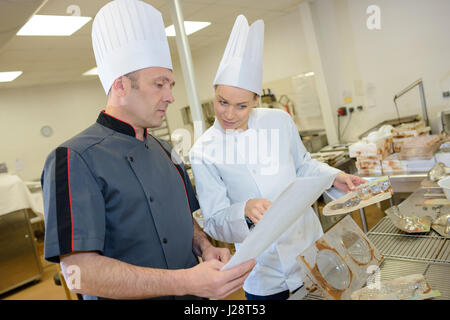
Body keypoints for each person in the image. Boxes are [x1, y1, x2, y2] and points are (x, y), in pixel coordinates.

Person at [41, 0, 255, 300]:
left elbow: (182, 217)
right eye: (159, 84)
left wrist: (204, 246)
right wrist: (185, 282)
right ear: (120, 87)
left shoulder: (166, 150)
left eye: (171, 84)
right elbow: (78, 273)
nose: (170, 96)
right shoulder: (73, 159)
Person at [189, 15, 366, 300]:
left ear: (256, 100)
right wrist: (244, 209)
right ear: (214, 94)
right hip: (267, 274)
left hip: (314, 252)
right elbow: (214, 220)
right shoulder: (203, 150)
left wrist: (334, 177)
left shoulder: (278, 122)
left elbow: (304, 164)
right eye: (222, 102)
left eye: (241, 106)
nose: (230, 114)